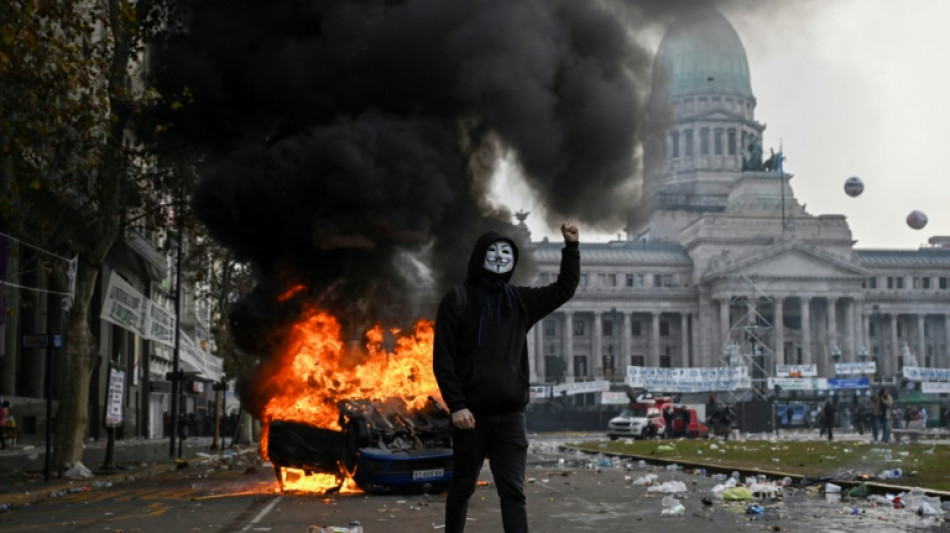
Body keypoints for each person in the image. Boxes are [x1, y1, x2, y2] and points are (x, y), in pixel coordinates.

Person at [433, 223, 580, 533]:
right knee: (461, 490)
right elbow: (443, 358)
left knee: (513, 492)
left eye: (506, 253)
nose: (500, 257)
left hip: (510, 416)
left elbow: (563, 290)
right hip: (469, 416)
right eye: (493, 251)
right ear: (478, 256)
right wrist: (456, 404)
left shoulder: (520, 302)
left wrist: (571, 248)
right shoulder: (457, 300)